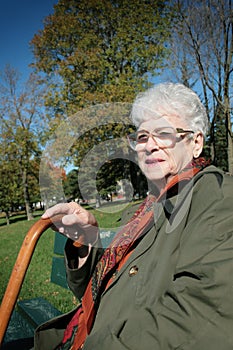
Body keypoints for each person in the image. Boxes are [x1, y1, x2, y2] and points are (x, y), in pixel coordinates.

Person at [34, 83, 233, 349]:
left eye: (164, 134)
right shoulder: (143, 210)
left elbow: (203, 315)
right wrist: (87, 240)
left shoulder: (217, 197)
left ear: (196, 143)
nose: (149, 146)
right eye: (141, 136)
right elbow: (102, 291)